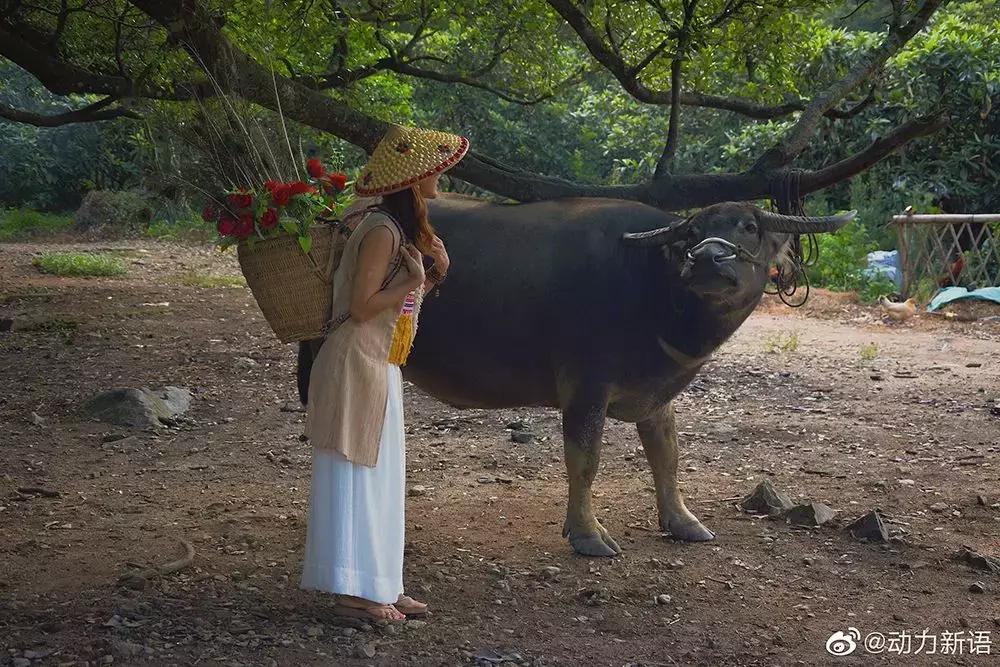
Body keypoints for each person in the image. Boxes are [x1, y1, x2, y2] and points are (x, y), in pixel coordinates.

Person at [301, 125, 469, 621]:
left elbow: (398, 308)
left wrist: (430, 276)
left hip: (377, 363)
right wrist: (417, 277)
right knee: (357, 474)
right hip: (356, 362)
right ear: (413, 179)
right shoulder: (380, 231)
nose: (441, 175)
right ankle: (353, 593)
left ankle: (381, 584)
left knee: (381, 477)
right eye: (434, 169)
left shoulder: (393, 230)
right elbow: (361, 306)